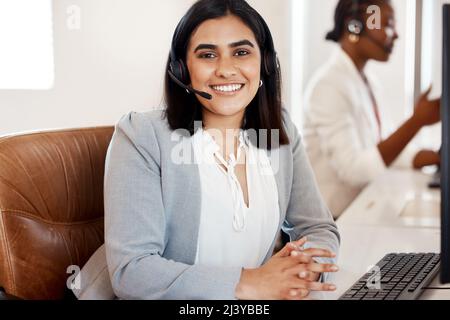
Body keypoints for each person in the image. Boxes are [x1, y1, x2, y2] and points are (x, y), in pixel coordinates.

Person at [102, 0, 339, 300]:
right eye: (208, 55)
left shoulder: (281, 131)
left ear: (265, 63)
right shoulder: (142, 136)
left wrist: (303, 271)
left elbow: (318, 227)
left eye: (241, 52)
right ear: (181, 68)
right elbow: (132, 272)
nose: (226, 70)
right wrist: (250, 283)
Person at [303, 0, 441, 218]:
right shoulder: (328, 86)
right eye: (388, 25)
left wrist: (437, 157)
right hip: (335, 222)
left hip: (362, 212)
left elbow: (383, 152)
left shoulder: (368, 83)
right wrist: (417, 121)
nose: (395, 34)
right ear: (354, 26)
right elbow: (355, 170)